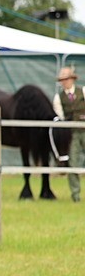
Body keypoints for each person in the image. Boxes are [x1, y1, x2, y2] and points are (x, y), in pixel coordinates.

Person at [52, 65, 84, 203]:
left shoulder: (82, 91)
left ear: (72, 79)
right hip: (72, 134)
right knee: (73, 164)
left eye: (66, 79)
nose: (64, 82)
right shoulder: (58, 98)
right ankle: (76, 195)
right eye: (62, 80)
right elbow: (60, 117)